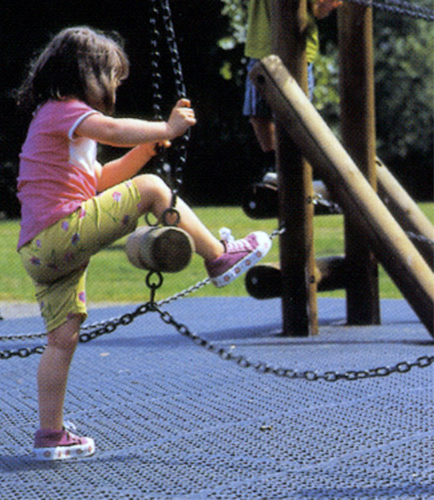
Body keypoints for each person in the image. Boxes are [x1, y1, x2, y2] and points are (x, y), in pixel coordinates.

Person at [14, 26, 272, 461]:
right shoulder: (63, 110)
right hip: (60, 233)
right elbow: (113, 129)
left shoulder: (59, 126)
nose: (116, 86)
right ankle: (218, 257)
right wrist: (166, 125)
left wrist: (145, 151)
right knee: (153, 189)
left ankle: (50, 433)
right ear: (89, 75)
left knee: (62, 339)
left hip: (40, 252)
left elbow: (96, 181)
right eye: (112, 77)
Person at [243, 0, 342, 174]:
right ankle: (273, 162)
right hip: (262, 47)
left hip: (298, 51)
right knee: (257, 113)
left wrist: (325, 6)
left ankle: (298, 169)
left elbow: (318, 10)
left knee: (299, 116)